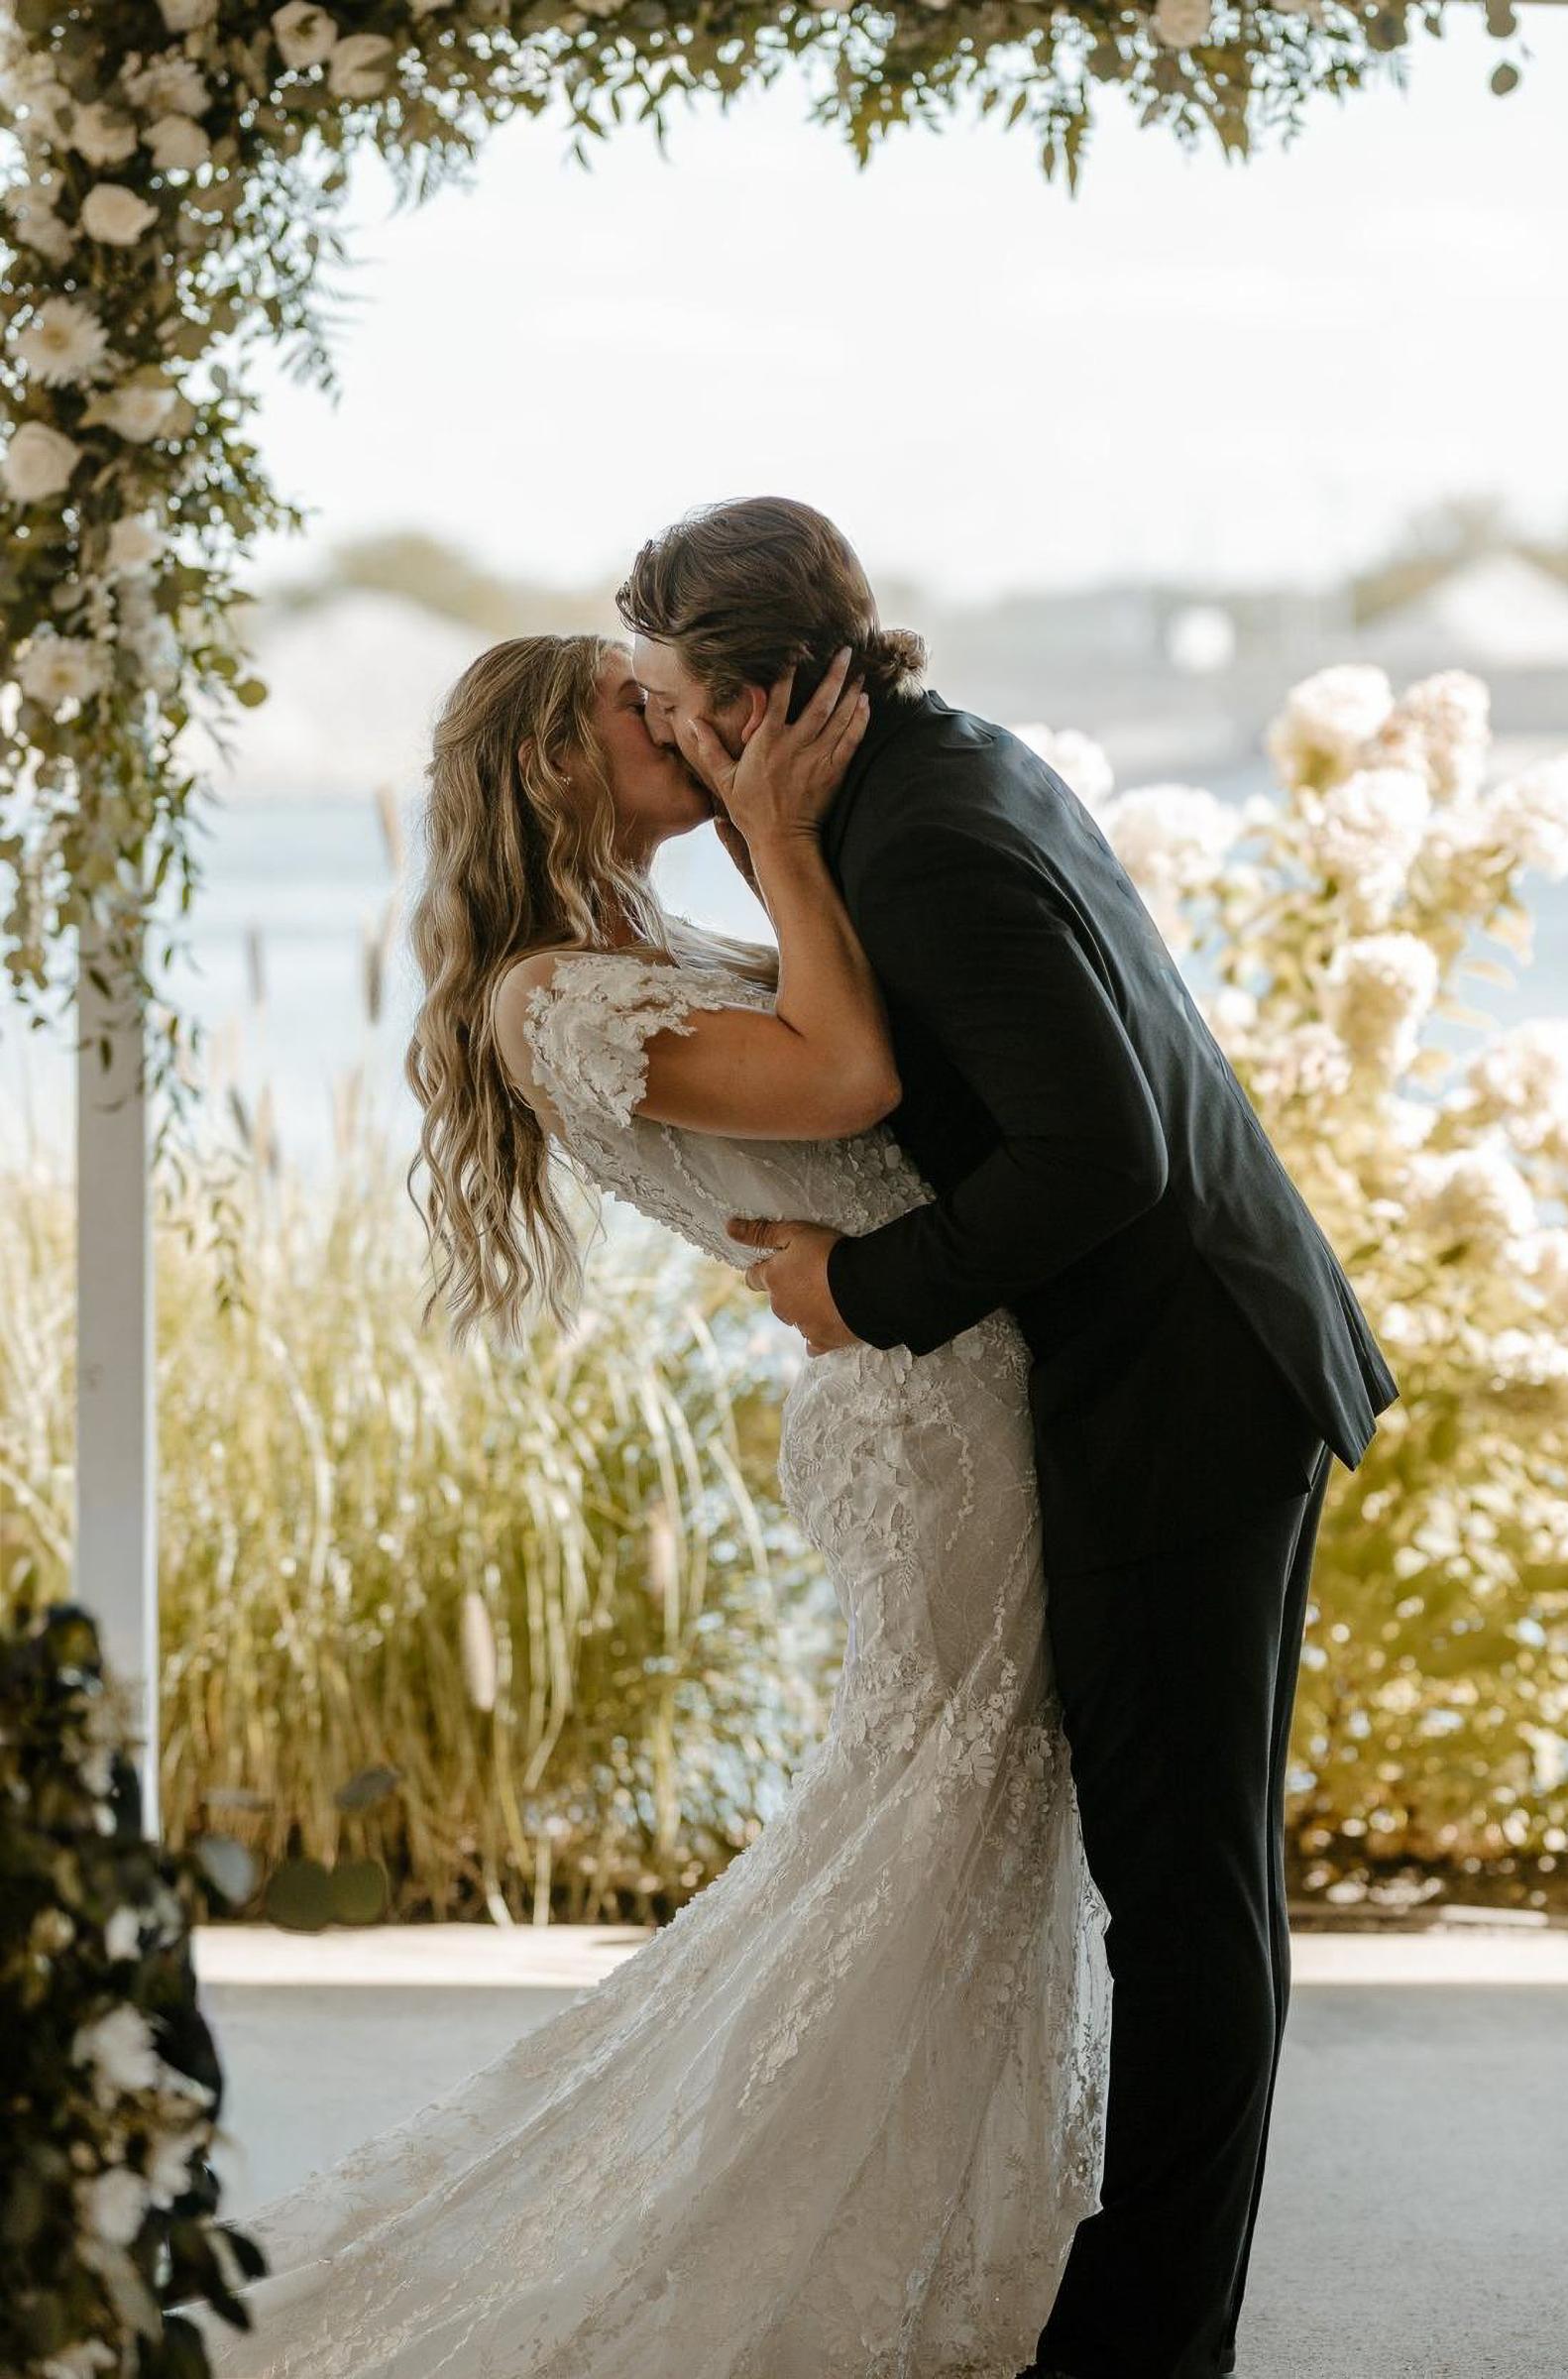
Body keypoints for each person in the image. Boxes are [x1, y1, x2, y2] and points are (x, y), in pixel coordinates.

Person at [211, 628, 1114, 2379]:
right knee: (937, 1815)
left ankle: (933, 2230)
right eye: (641, 709)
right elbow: (847, 1085)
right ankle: (789, 2239)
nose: (690, 724)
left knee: (964, 1822)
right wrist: (779, 836)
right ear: (554, 763)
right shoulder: (552, 997)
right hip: (928, 1424)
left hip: (945, 1385)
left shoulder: (637, 944)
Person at [615, 498, 1399, 2379]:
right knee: (1203, 1885)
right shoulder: (930, 769)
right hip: (1202, 1353)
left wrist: (856, 1290)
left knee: (1185, 1902)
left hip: (1178, 1395)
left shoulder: (933, 846)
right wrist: (771, 836)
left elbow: (1097, 1153)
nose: (653, 737)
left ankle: (1144, 2348)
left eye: (664, 702)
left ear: (756, 698)